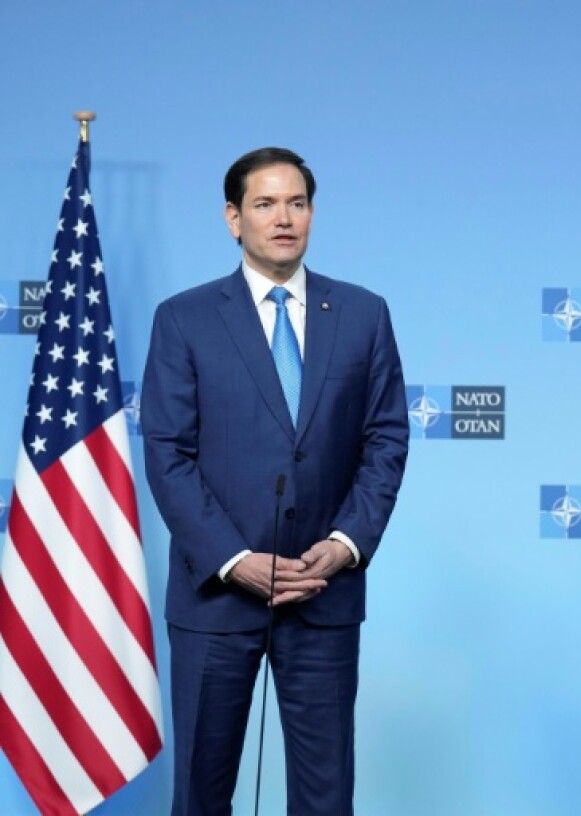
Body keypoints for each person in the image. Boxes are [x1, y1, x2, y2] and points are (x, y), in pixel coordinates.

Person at [143, 147, 409, 815]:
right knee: (201, 797)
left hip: (323, 591)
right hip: (215, 602)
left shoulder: (363, 313)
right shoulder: (184, 318)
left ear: (312, 214)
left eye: (296, 203)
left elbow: (386, 438)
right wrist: (234, 560)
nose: (283, 218)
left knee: (325, 799)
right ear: (234, 219)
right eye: (265, 204)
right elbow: (168, 453)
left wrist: (347, 541)